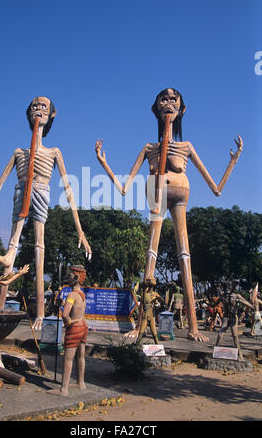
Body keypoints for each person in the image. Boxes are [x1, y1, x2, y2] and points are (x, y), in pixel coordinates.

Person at [95, 88, 243, 342]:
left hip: (180, 195)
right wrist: (104, 163)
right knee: (150, 254)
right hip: (156, 195)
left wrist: (233, 160)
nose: (168, 103)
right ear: (156, 108)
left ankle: (193, 327)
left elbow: (216, 189)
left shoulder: (186, 147)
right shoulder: (149, 148)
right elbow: (123, 188)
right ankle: (141, 324)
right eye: (163, 99)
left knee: (185, 255)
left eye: (173, 100)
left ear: (181, 109)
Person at [0, 97, 91, 330]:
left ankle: (40, 315)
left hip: (41, 192)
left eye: (43, 106)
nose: (38, 109)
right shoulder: (18, 153)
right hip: (20, 192)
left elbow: (68, 189)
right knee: (11, 246)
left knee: (39, 247)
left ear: (52, 114)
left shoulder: (54, 152)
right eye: (34, 106)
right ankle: (0, 306)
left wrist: (80, 230)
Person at [48, 265, 88, 396]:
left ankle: (63, 389)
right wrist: (63, 303)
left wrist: (68, 324)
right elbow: (75, 308)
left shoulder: (71, 294)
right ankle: (81, 382)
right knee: (81, 356)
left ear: (76, 278)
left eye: (70, 275)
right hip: (83, 325)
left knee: (68, 358)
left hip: (75, 327)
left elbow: (65, 315)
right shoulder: (81, 295)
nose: (68, 277)